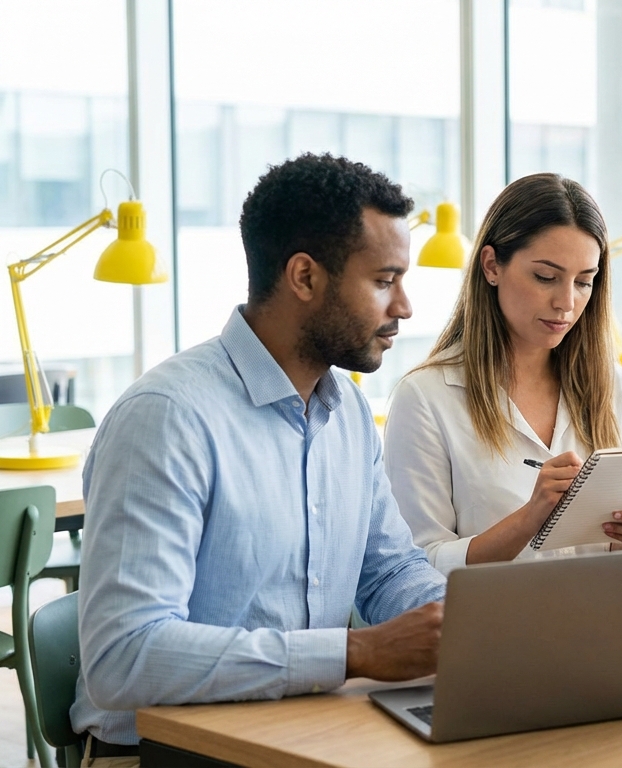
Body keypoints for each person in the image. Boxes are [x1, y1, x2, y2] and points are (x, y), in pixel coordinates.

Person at [72, 154, 448, 756]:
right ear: (304, 277)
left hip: (302, 736)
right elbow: (124, 657)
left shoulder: (346, 412)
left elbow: (390, 570)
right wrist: (356, 653)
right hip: (164, 752)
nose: (404, 306)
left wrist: (473, 625)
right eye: (384, 280)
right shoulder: (167, 417)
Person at [384, 173, 622, 571]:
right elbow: (412, 569)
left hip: (596, 621)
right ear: (491, 266)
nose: (566, 303)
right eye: (546, 277)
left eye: (584, 282)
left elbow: (614, 557)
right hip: (492, 629)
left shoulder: (609, 384)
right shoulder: (427, 396)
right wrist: (528, 519)